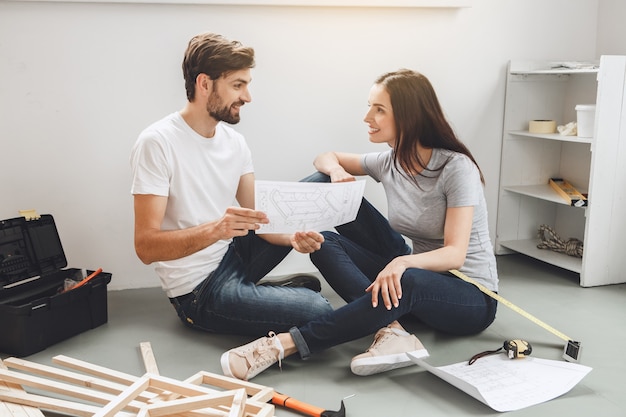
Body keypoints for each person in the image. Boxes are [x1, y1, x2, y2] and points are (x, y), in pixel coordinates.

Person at [220, 69, 499, 380]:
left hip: (469, 296)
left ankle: (284, 345)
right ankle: (392, 331)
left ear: (409, 117)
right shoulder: (391, 162)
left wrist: (402, 262)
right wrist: (336, 173)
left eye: (379, 110)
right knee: (324, 239)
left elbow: (455, 255)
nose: (368, 117)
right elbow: (325, 157)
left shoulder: (455, 168)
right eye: (370, 106)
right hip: (414, 284)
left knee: (408, 280)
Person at [130, 32, 334, 339]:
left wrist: (293, 237)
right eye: (238, 85)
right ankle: (255, 296)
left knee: (320, 184)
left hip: (232, 254)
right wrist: (218, 229)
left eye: (247, 85)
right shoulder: (157, 142)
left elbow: (261, 216)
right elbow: (145, 247)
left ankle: (255, 294)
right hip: (199, 289)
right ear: (204, 84)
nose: (247, 96)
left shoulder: (235, 142)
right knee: (318, 309)